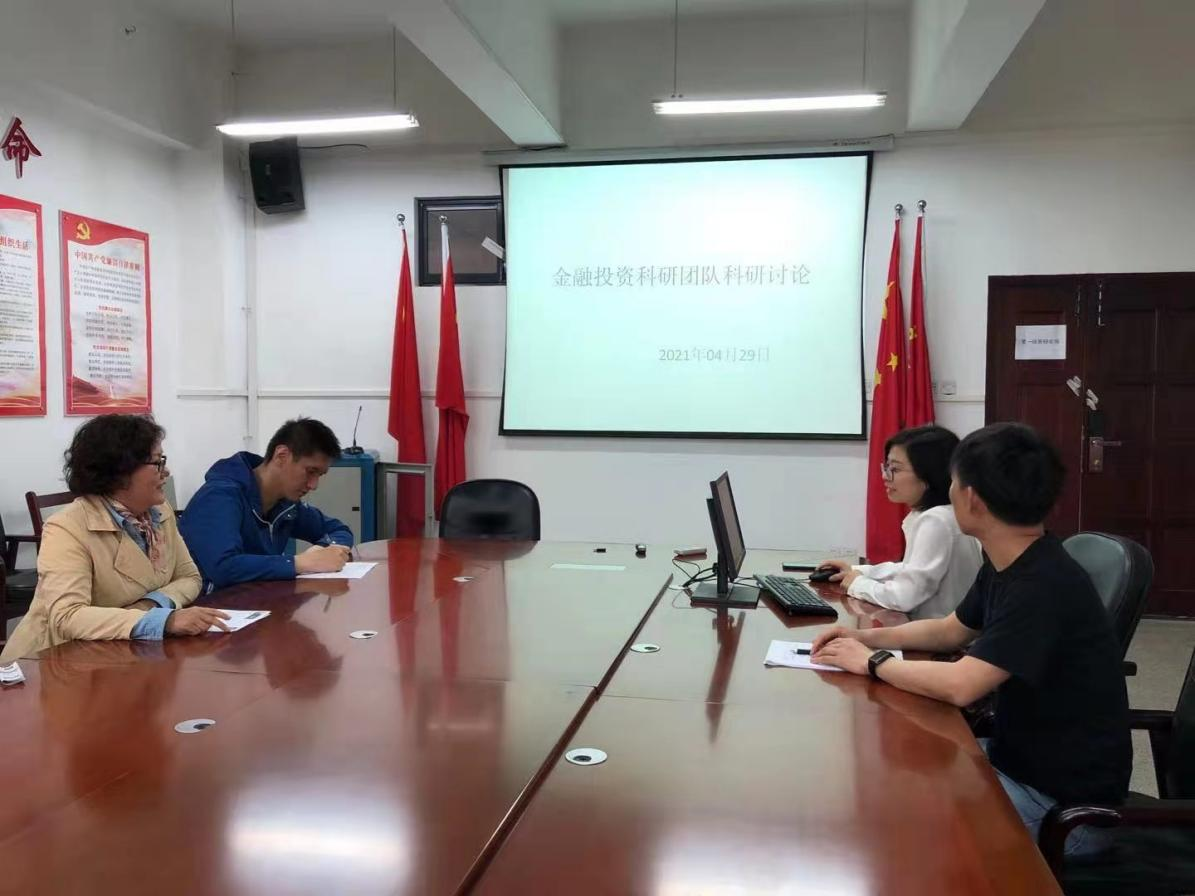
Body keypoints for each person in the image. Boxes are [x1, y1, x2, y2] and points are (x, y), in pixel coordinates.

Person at [811, 422, 1130, 856]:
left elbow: (963, 685)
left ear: (971, 498)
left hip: (1063, 811)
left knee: (890, 822)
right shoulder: (1012, 561)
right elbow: (949, 629)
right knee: (893, 775)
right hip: (1014, 763)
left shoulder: (1041, 584)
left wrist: (872, 662)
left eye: (954, 481)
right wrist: (863, 637)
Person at [0, 415, 229, 663]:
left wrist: (149, 606)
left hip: (126, 654)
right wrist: (164, 620)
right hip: (53, 662)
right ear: (120, 472)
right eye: (158, 462)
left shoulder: (160, 512)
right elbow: (67, 617)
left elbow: (190, 577)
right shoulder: (66, 528)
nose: (166, 471)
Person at [820, 425, 982, 619]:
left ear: (929, 474)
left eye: (895, 469)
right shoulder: (939, 514)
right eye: (886, 467)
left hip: (937, 635)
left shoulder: (936, 521)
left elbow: (903, 597)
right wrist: (857, 571)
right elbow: (910, 569)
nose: (885, 476)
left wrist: (857, 584)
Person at [180, 417, 354, 592]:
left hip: (257, 599)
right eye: (310, 471)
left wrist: (323, 551)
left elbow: (338, 530)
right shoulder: (219, 496)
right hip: (210, 604)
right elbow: (223, 567)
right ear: (281, 456)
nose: (313, 485)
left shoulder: (286, 504)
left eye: (319, 475)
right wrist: (298, 563)